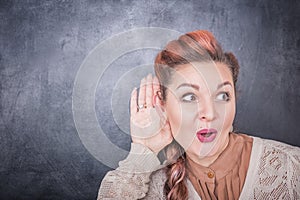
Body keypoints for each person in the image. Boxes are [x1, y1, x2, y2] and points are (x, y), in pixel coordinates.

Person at [97, 30, 300, 200]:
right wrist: (142, 153)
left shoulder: (291, 168)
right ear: (163, 105)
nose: (210, 114)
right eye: (189, 97)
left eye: (222, 95)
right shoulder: (146, 186)